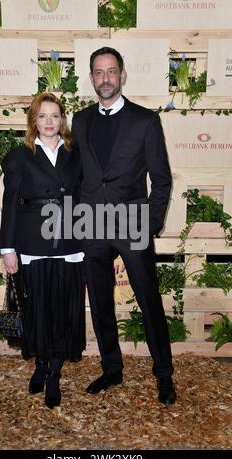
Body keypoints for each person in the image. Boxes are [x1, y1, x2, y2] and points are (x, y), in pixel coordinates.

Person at [71, 47, 176, 405]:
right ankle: (111, 369)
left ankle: (164, 374)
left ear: (123, 75)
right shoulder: (81, 120)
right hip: (91, 225)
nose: (105, 79)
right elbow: (77, 175)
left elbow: (161, 180)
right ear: (91, 78)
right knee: (100, 302)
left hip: (132, 223)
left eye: (111, 71)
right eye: (99, 72)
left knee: (149, 301)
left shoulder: (146, 121)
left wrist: (150, 225)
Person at [0, 92, 85, 409]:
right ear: (34, 120)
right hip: (31, 243)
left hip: (69, 243)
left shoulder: (76, 154)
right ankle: (40, 364)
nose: (49, 122)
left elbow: (85, 198)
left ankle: (54, 374)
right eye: (43, 116)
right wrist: (7, 248)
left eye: (55, 116)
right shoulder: (19, 157)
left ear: (62, 120)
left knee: (63, 311)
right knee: (37, 310)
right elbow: (10, 205)